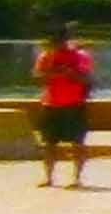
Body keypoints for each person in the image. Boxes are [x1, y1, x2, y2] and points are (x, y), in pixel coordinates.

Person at [31, 25, 98, 189]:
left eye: (59, 40)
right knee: (48, 143)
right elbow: (38, 77)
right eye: (53, 41)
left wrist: (70, 74)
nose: (56, 44)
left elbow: (87, 79)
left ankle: (76, 178)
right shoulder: (46, 56)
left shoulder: (80, 56)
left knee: (77, 143)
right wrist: (53, 73)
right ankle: (48, 177)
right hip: (51, 104)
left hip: (74, 105)